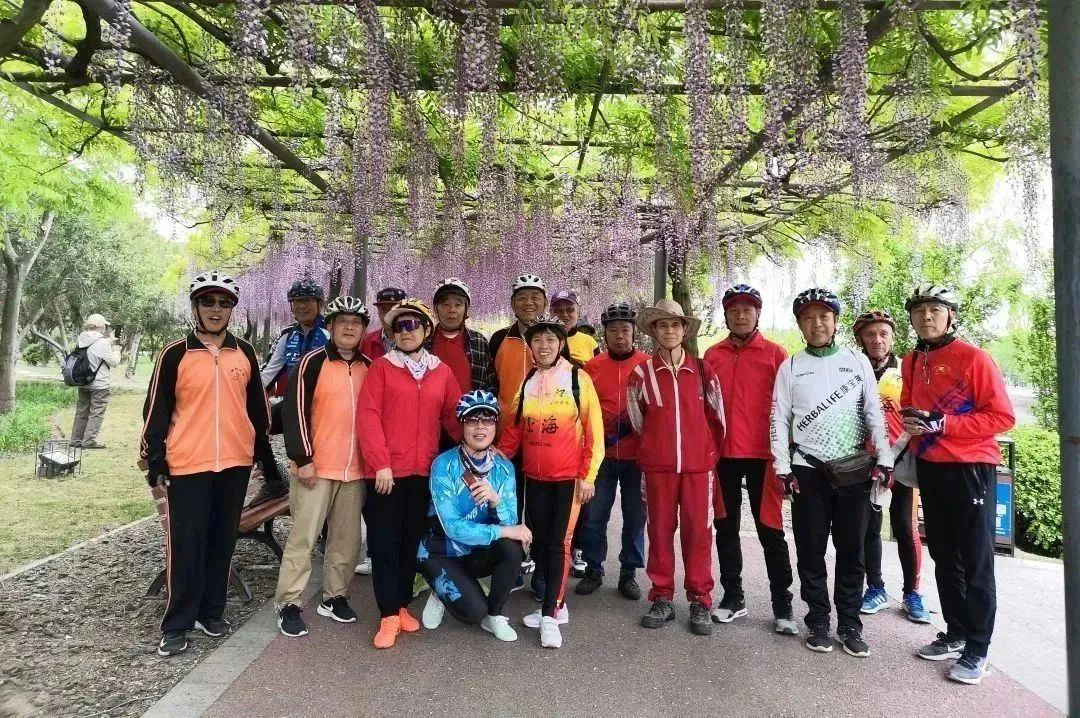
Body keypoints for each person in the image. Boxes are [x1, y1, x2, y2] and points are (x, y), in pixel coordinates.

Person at [141, 270, 283, 657]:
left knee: (222, 541)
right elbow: (155, 409)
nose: (216, 309)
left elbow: (258, 411)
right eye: (207, 301)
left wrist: (265, 460)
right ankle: (177, 623)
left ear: (232, 309)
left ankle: (211, 612)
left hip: (235, 463)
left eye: (224, 302)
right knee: (187, 545)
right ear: (196, 307)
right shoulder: (175, 353)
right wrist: (156, 459)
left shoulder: (245, 352)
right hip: (188, 463)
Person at [901, 284, 1015, 685]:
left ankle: (978, 648)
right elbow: (909, 406)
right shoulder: (912, 360)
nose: (926, 317)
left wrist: (944, 423)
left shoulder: (974, 358)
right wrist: (912, 421)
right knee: (944, 556)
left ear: (951, 315)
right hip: (931, 468)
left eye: (935, 309)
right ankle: (956, 632)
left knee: (976, 560)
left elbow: (1002, 417)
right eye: (919, 311)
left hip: (971, 468)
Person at [771, 288, 893, 658]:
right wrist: (782, 467)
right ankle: (819, 622)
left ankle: (850, 624)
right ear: (800, 325)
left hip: (853, 470)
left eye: (824, 316)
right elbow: (779, 419)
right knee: (810, 550)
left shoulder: (856, 361)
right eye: (808, 318)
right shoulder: (791, 366)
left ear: (835, 321)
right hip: (808, 470)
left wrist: (885, 457)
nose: (817, 323)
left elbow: (873, 412)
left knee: (852, 551)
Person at [357, 298, 463, 649]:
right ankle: (388, 613)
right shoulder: (381, 368)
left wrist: (477, 448)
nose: (406, 331)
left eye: (413, 324)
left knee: (409, 541)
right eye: (399, 326)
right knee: (384, 543)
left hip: (423, 471)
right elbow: (368, 416)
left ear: (426, 329)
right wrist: (380, 463)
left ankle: (401, 604)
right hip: (387, 473)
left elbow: (452, 417)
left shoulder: (440, 371)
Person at [496, 315, 604, 649]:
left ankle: (550, 615)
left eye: (551, 340)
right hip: (535, 477)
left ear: (561, 344)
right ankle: (558, 606)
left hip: (568, 479)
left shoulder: (578, 379)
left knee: (559, 545)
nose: (543, 346)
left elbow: (594, 433)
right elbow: (514, 430)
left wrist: (588, 477)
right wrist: (492, 461)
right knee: (540, 543)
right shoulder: (528, 381)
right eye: (537, 340)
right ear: (530, 345)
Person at [702, 285, 796, 635]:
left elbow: (788, 406)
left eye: (747, 309)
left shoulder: (776, 354)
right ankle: (733, 597)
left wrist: (786, 453)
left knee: (770, 530)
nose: (741, 315)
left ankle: (782, 604)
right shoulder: (712, 355)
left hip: (764, 456)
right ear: (726, 315)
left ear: (758, 314)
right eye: (734, 310)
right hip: (723, 455)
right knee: (725, 528)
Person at [628, 298, 725, 637]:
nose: (669, 330)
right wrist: (657, 448)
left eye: (675, 324)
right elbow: (637, 421)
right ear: (653, 331)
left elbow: (717, 418)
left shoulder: (703, 370)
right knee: (659, 531)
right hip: (658, 468)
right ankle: (662, 596)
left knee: (699, 533)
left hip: (698, 468)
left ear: (684, 330)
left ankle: (700, 599)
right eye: (662, 325)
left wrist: (705, 454)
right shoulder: (641, 374)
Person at [274, 297, 370, 638]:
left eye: (356, 322)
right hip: (316, 467)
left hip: (354, 470)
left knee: (346, 540)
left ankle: (334, 596)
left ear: (363, 329)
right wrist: (303, 459)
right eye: (342, 321)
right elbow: (294, 411)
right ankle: (289, 603)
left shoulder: (369, 366)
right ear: (330, 326)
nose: (349, 327)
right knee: (304, 537)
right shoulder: (311, 362)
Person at [418, 390, 531, 641]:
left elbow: (510, 520)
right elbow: (453, 528)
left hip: (476, 550)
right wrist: (504, 530)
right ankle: (440, 591)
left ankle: (495, 615)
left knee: (512, 548)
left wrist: (495, 501)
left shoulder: (504, 467)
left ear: (495, 425)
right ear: (462, 425)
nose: (480, 427)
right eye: (472, 420)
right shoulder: (444, 465)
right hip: (442, 549)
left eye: (487, 419)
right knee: (472, 613)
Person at [852, 309, 930, 624]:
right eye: (870, 334)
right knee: (869, 526)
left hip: (903, 459)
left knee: (905, 527)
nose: (877, 340)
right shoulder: (853, 370)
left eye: (883, 334)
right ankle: (876, 588)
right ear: (861, 339)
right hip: (867, 461)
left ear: (893, 337)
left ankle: (912, 593)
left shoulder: (907, 370)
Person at [575, 302, 649, 600]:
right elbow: (581, 412)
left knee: (635, 516)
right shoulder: (592, 367)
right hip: (601, 456)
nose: (620, 335)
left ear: (634, 333)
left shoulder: (647, 365)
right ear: (604, 334)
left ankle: (629, 572)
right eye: (614, 330)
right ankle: (593, 569)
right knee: (595, 515)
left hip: (637, 456)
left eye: (625, 330)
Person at [256, 279, 330, 505]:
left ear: (320, 303)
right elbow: (269, 372)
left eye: (307, 300)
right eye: (296, 301)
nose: (301, 306)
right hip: (294, 405)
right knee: (254, 424)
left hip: (325, 405)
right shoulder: (288, 335)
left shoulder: (331, 331)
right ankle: (273, 480)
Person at [426, 277, 495, 394]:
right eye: (445, 304)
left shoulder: (478, 341)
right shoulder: (424, 341)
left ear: (466, 309)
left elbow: (490, 383)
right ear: (435, 309)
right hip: (432, 406)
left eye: (458, 305)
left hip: (471, 405)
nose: (452, 310)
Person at [70, 313, 121, 449]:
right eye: (104, 326)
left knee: (81, 412)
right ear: (100, 326)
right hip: (100, 384)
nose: (105, 328)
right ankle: (89, 441)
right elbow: (114, 362)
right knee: (96, 413)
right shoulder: (102, 342)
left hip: (84, 381)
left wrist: (109, 341)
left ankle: (76, 440)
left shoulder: (81, 339)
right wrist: (116, 350)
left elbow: (94, 348)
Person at [551, 290, 600, 365]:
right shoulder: (540, 339)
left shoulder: (589, 342)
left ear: (578, 312)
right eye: (559, 310)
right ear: (551, 313)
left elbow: (599, 369)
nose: (564, 314)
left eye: (570, 309)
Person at [360, 286, 407, 361]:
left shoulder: (414, 339)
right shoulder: (368, 341)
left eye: (393, 309)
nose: (387, 314)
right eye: (383, 309)